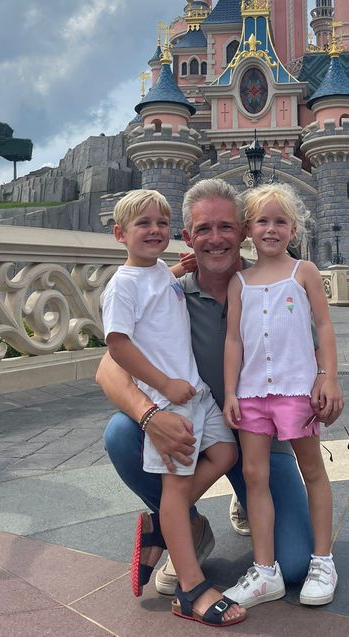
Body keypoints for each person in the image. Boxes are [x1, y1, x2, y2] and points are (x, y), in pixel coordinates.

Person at [96, 180, 336, 598]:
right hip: (202, 428)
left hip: (266, 434)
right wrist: (151, 416)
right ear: (187, 237)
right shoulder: (170, 292)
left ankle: (230, 504)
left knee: (295, 564)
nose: (215, 239)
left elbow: (317, 339)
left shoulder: (275, 284)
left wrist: (326, 379)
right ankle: (181, 522)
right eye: (203, 229)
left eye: (226, 227)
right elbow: (108, 369)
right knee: (121, 432)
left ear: (243, 231)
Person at [102, 188, 245, 626]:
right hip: (171, 402)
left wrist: (180, 267)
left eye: (160, 223)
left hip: (198, 395)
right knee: (175, 491)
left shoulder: (162, 273)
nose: (154, 230)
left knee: (225, 453)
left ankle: (166, 525)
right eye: (142, 224)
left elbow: (166, 291)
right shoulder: (122, 285)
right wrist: (161, 387)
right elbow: (116, 347)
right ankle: (191, 587)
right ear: (119, 234)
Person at [223, 184, 343, 608]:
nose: (270, 229)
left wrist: (327, 377)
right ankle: (265, 571)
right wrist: (230, 392)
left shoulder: (304, 272)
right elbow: (234, 341)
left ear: (293, 228)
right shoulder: (240, 281)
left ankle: (323, 559)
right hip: (253, 393)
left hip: (296, 390)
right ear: (248, 230)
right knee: (255, 477)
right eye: (262, 221)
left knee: (312, 470)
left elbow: (324, 327)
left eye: (279, 221)